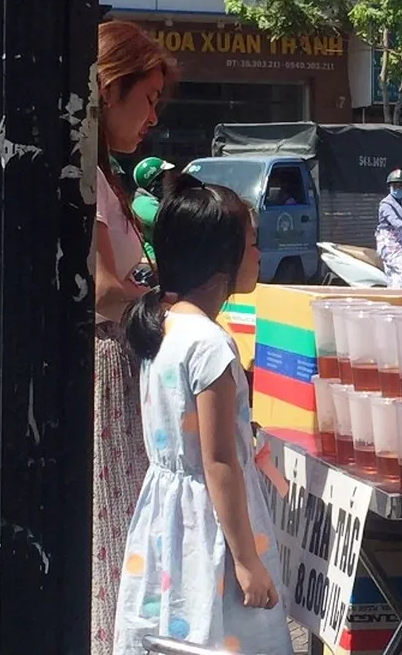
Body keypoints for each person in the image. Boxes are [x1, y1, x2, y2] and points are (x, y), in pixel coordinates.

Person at [114, 174, 292, 655]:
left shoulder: (164, 325)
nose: (258, 255)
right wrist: (246, 559)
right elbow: (218, 462)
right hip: (213, 528)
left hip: (166, 522)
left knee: (172, 630)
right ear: (222, 263)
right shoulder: (210, 344)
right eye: (252, 244)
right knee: (223, 635)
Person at [93, 20, 178, 654]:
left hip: (124, 370)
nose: (152, 116)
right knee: (118, 534)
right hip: (107, 377)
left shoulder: (108, 177)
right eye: (146, 99)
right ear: (109, 86)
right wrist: (165, 302)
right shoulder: (88, 181)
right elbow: (100, 290)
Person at [132, 156, 176, 263]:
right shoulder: (143, 203)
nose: (171, 180)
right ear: (156, 182)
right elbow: (174, 223)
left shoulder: (155, 201)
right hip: (153, 262)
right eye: (167, 177)